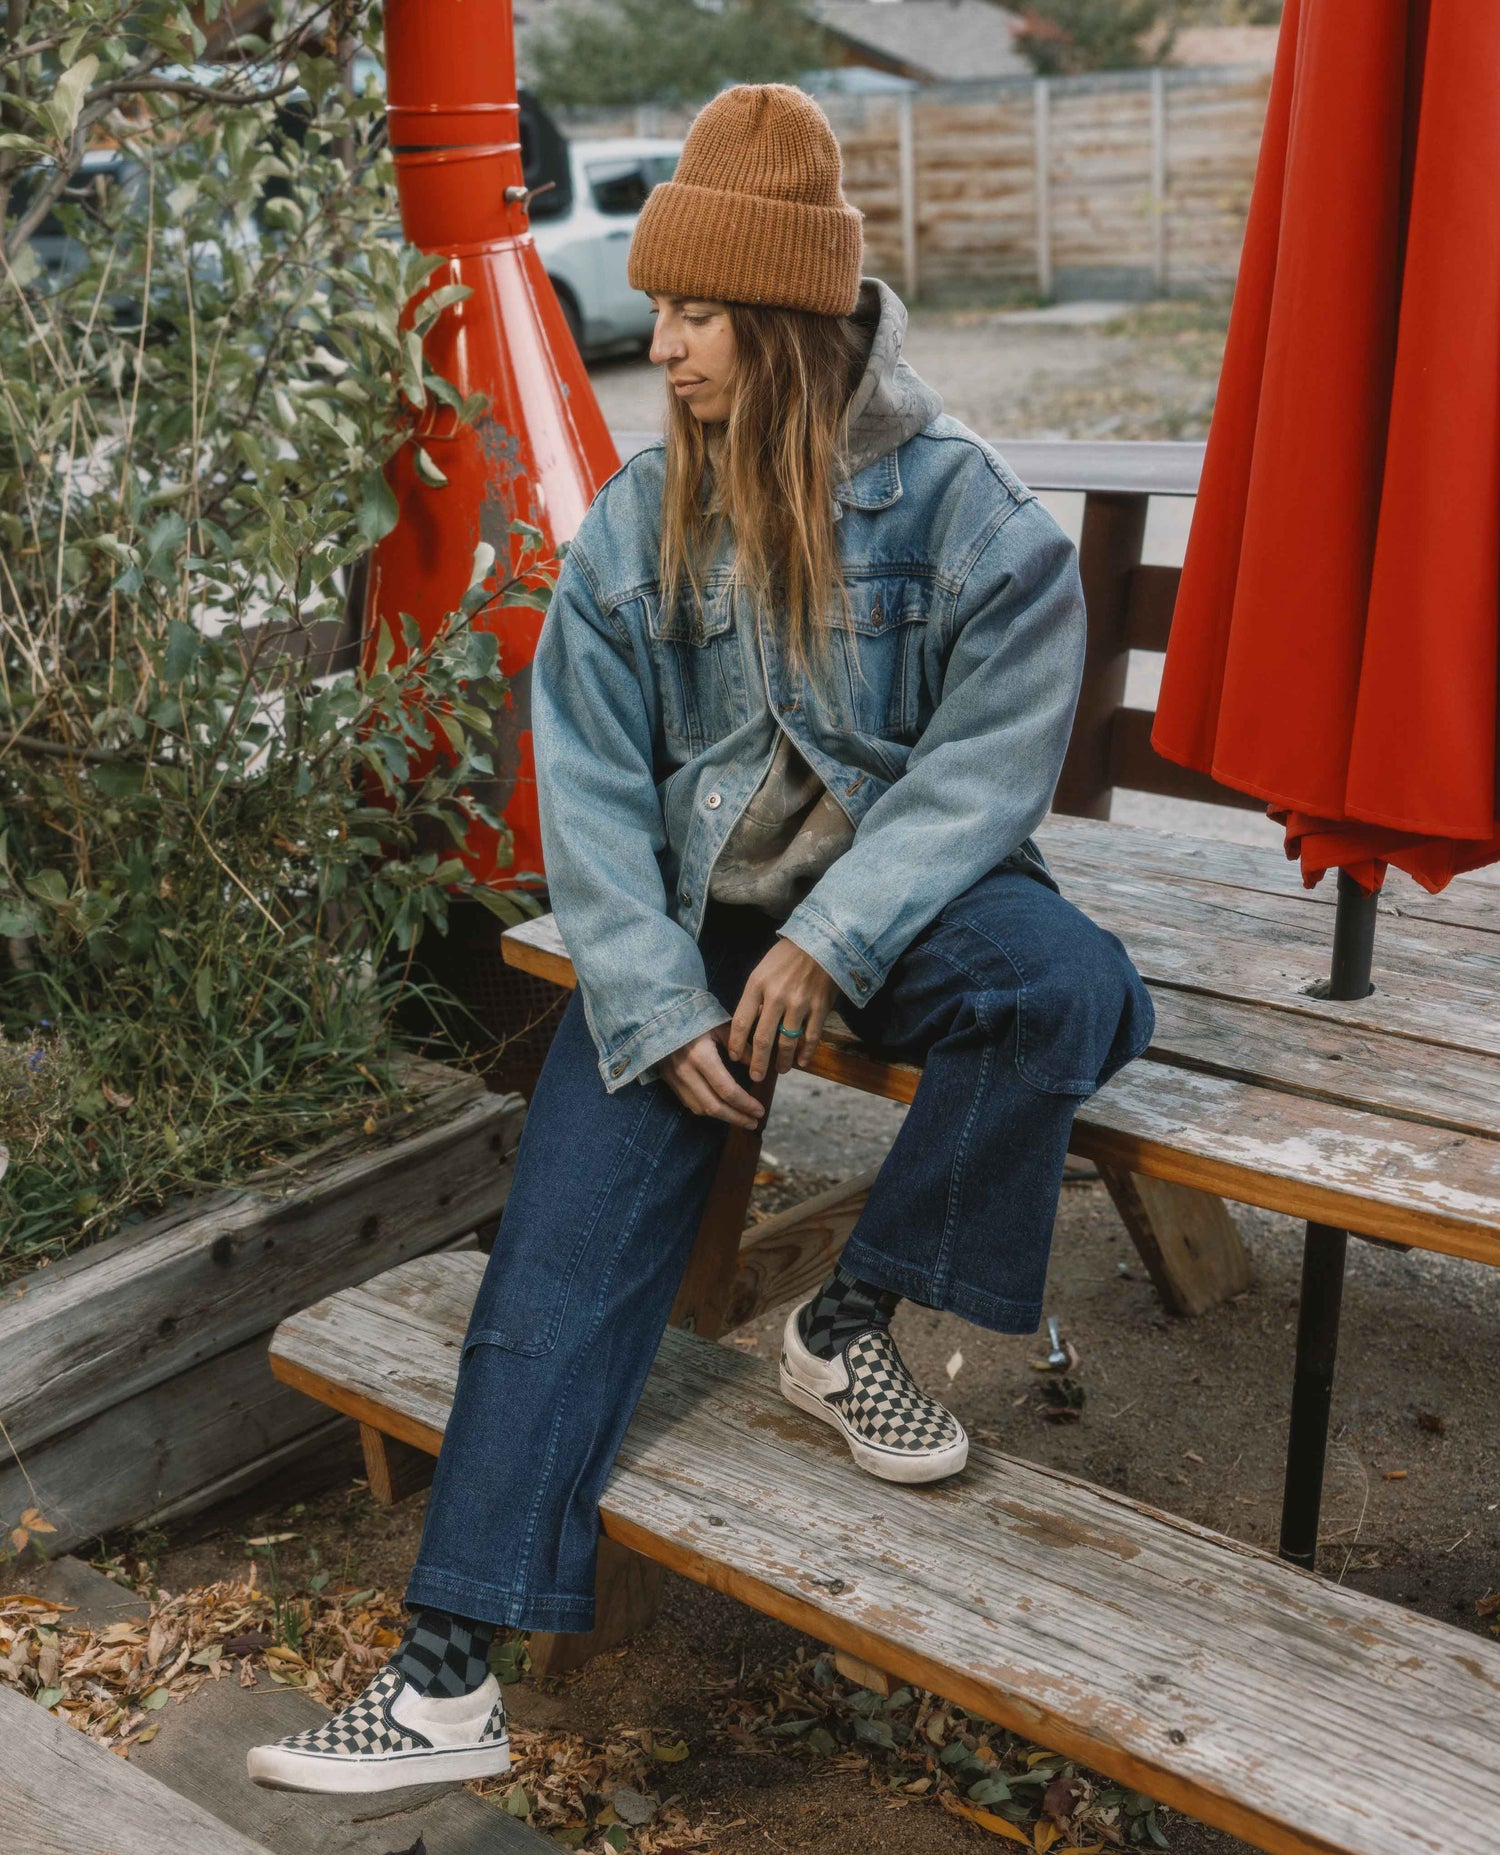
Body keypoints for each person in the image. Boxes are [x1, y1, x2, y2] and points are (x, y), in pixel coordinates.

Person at [248, 82, 1153, 1796]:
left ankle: (850, 1320)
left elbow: (983, 775)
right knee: (556, 1267)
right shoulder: (634, 519)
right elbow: (582, 788)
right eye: (657, 311)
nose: (658, 347)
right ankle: (446, 1683)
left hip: (908, 915)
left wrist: (836, 933)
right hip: (688, 938)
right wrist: (660, 1003)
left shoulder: (971, 519)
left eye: (696, 315)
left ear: (792, 321)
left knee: (1074, 987)